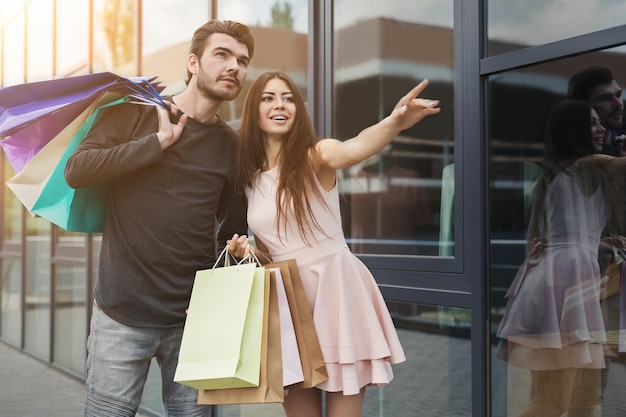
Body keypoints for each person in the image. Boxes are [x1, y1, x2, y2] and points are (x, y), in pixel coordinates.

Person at [64, 20, 254, 417]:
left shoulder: (232, 146)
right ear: (193, 62)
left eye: (242, 60)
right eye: (222, 55)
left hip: (192, 321)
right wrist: (157, 143)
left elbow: (231, 229)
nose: (234, 66)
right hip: (121, 314)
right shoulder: (136, 111)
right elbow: (77, 169)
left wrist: (233, 263)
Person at [227, 71, 440, 417]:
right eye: (268, 98)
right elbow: (271, 250)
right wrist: (247, 251)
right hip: (289, 302)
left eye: (288, 98)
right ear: (254, 111)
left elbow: (355, 146)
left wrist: (394, 123)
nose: (280, 105)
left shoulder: (317, 154)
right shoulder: (251, 180)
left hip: (335, 292)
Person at [496, 99, 626, 417]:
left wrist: (597, 242)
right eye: (592, 122)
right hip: (564, 286)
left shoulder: (563, 173)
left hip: (561, 280)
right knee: (551, 404)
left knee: (563, 401)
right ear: (573, 130)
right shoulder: (582, 165)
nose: (602, 129)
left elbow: (563, 233)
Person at [568, 65, 625, 156]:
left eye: (618, 95)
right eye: (605, 98)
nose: (618, 104)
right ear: (583, 106)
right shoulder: (576, 154)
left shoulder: (621, 140)